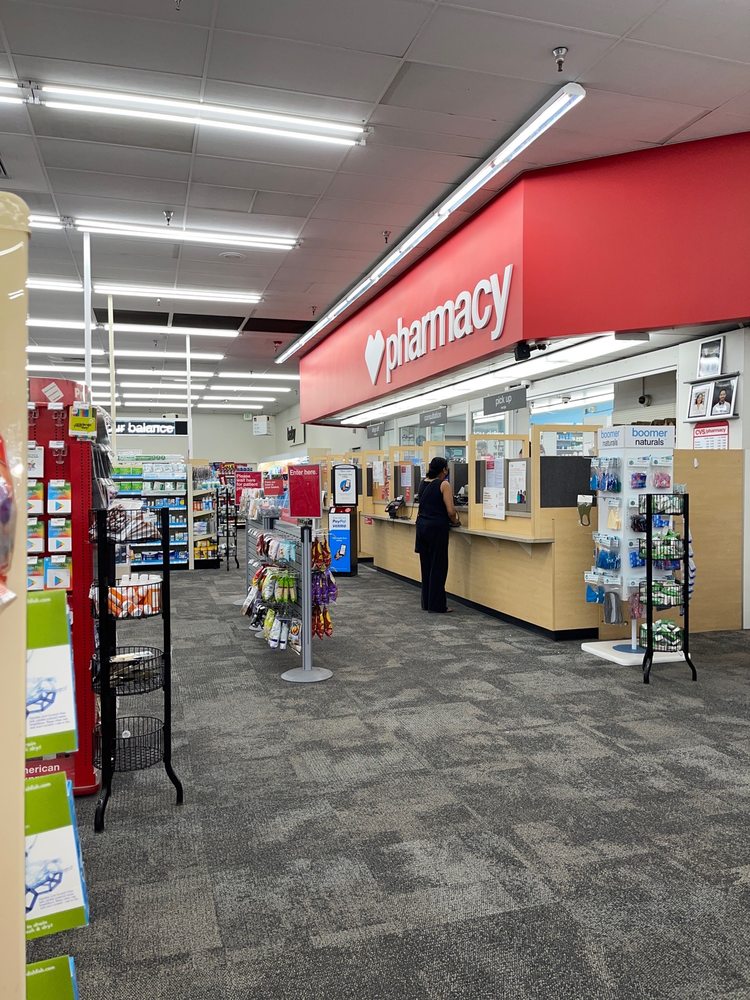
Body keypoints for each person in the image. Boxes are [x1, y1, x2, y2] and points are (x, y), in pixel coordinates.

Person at [414, 456, 460, 613]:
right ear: (444, 469)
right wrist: (456, 521)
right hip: (436, 529)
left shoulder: (423, 483)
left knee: (426, 566)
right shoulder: (444, 484)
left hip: (422, 528)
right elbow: (451, 511)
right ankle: (437, 605)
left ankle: (427, 602)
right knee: (438, 566)